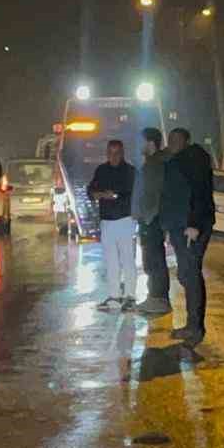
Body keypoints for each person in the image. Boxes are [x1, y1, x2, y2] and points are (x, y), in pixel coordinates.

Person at [158, 127, 216, 346]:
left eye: (176, 139)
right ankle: (192, 324)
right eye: (170, 139)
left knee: (190, 274)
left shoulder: (192, 160)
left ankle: (195, 328)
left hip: (190, 227)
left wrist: (193, 224)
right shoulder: (180, 160)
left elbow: (199, 193)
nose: (171, 142)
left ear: (186, 141)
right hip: (180, 226)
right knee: (186, 274)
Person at [86, 139, 138, 311]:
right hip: (107, 220)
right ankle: (114, 296)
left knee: (127, 259)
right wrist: (99, 194)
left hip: (124, 219)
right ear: (106, 153)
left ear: (122, 153)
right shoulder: (101, 170)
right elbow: (91, 190)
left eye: (116, 153)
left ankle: (130, 296)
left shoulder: (130, 171)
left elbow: (131, 194)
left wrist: (113, 196)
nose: (113, 156)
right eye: (110, 152)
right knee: (111, 261)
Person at [133, 127, 173, 316]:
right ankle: (154, 297)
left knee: (154, 260)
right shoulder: (151, 163)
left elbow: (156, 194)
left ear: (150, 143)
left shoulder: (156, 164)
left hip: (152, 220)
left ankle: (159, 300)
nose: (137, 144)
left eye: (140, 141)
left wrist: (149, 216)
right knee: (151, 259)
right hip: (149, 220)